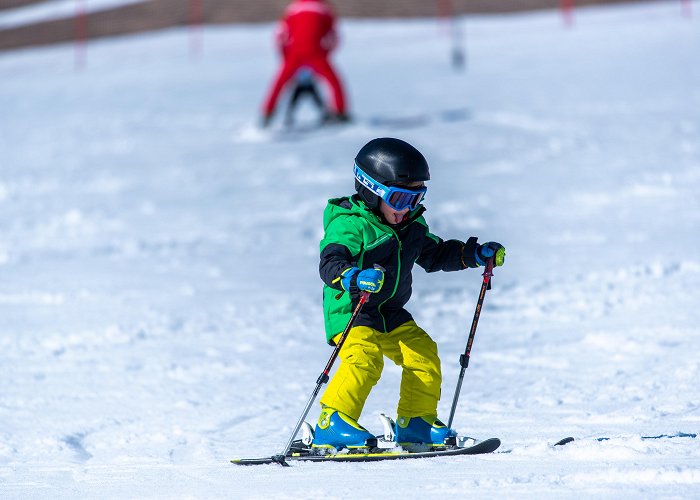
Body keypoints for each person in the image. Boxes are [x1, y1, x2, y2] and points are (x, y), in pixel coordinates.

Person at [314, 137, 506, 451]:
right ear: (371, 190)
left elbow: (435, 255)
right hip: (352, 309)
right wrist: (354, 276)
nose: (408, 209)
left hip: (389, 311)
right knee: (364, 358)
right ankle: (331, 422)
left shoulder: (411, 226)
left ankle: (415, 422)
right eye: (401, 199)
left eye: (416, 199)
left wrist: (474, 255)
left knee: (423, 353)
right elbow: (330, 263)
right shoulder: (350, 225)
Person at [262, 0, 349, 128]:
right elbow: (333, 37)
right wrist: (325, 55)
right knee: (334, 82)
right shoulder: (325, 10)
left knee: (278, 83)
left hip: (294, 54)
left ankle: (267, 114)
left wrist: (285, 57)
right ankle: (340, 112)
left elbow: (280, 35)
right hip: (316, 53)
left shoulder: (293, 9)